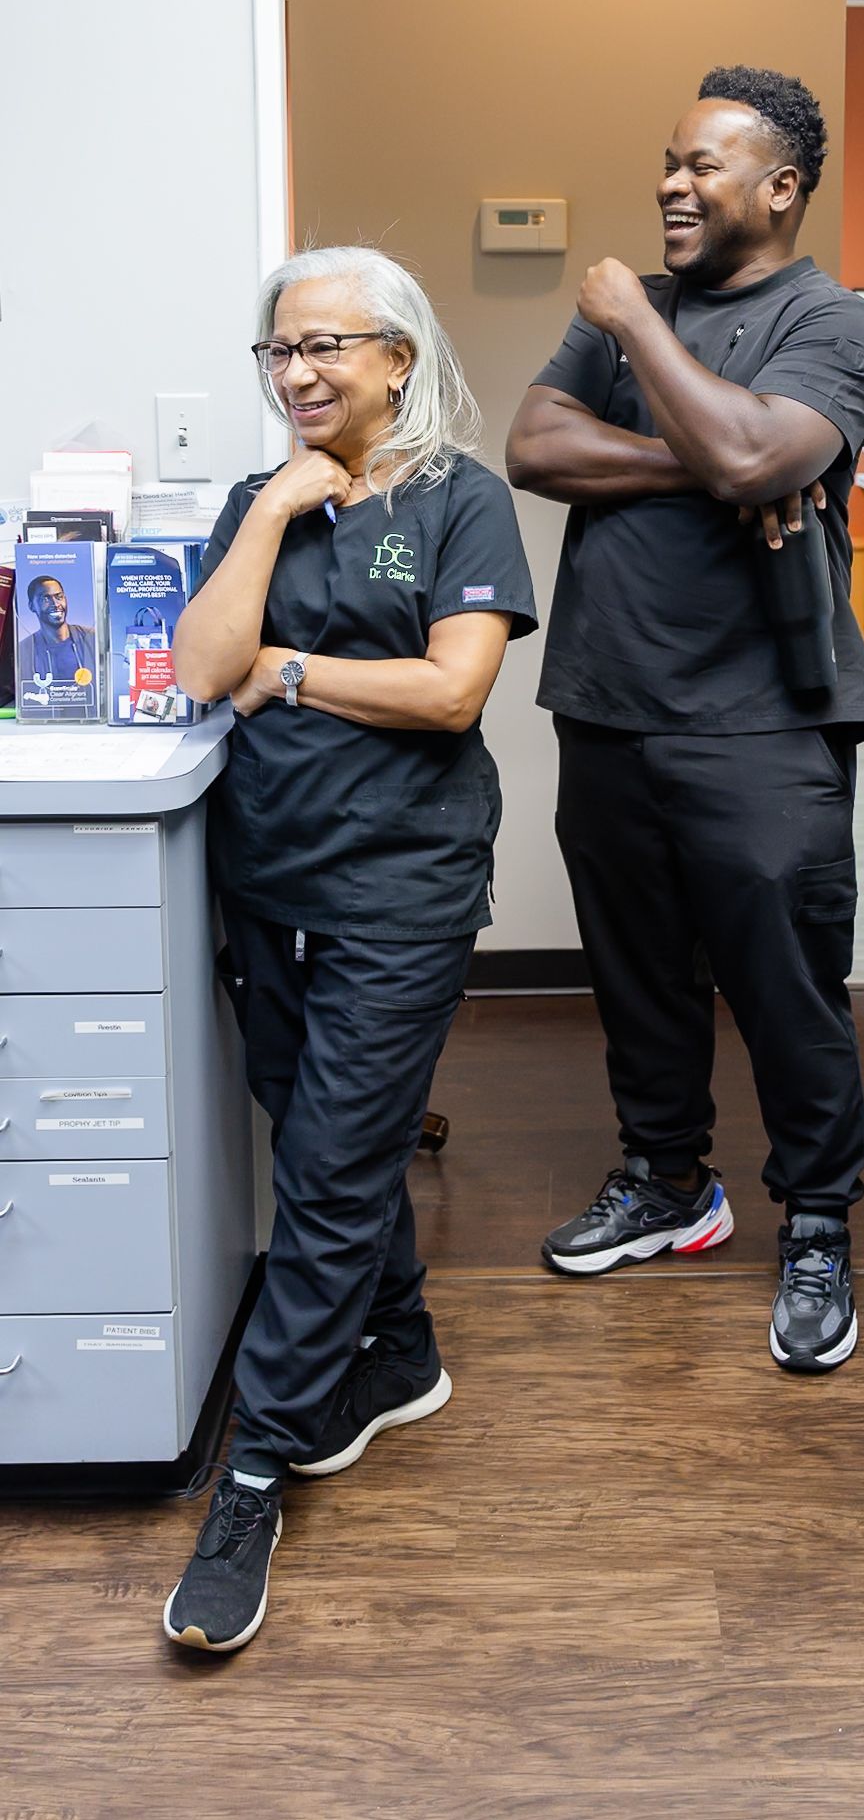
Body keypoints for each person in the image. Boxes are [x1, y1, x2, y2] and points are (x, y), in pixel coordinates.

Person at [163, 245, 536, 1652]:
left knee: (323, 1172)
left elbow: (452, 690)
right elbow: (202, 666)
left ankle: (253, 1474)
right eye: (280, 349)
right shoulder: (252, 501)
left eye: (328, 344)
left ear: (398, 356)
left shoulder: (458, 499)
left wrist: (296, 671)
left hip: (401, 885)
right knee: (321, 1130)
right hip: (267, 879)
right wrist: (272, 511)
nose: (300, 370)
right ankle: (401, 1348)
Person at [506, 65, 864, 1371]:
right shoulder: (644, 314)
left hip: (762, 717)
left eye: (700, 166)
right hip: (607, 699)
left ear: (779, 188)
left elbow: (759, 455)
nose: (670, 184)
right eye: (667, 162)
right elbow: (536, 447)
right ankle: (667, 1179)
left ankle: (818, 1219)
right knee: (636, 973)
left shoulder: (827, 321)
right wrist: (710, 462)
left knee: (787, 990)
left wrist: (633, 321)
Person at [17, 574, 97, 686]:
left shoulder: (91, 638)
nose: (55, 604)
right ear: (32, 606)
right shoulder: (23, 651)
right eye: (45, 599)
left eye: (59, 597)